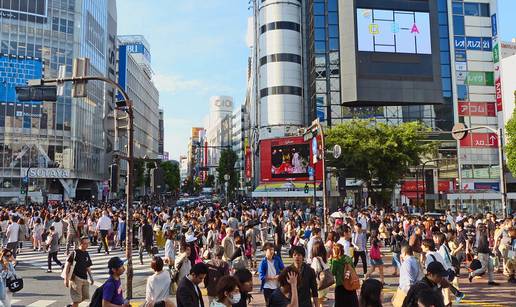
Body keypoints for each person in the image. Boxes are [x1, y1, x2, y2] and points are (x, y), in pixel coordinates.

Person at [64, 236, 94, 307]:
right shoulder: (75, 253)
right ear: (81, 244)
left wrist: (91, 277)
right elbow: (67, 265)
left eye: (88, 243)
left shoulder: (86, 253)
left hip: (85, 278)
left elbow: (88, 266)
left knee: (85, 297)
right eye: (85, 243)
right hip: (76, 278)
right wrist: (66, 279)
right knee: (77, 299)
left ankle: (71, 306)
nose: (87, 245)